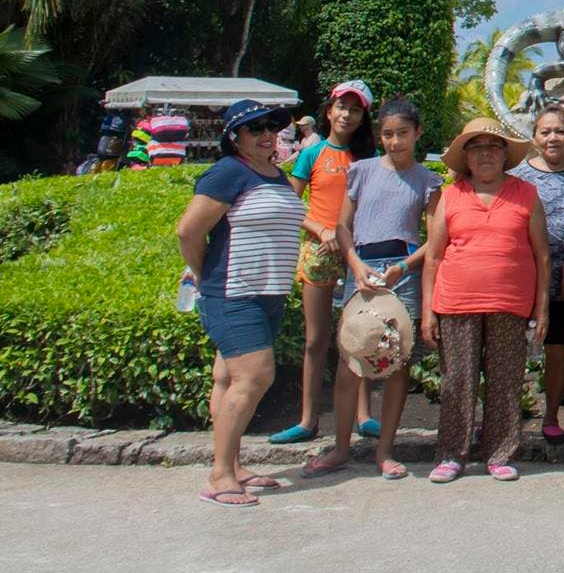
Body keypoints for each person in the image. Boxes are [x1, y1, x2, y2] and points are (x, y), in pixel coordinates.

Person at [302, 97, 440, 481]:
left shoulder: (428, 181)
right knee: (351, 362)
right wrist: (355, 264)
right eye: (388, 134)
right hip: (360, 272)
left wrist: (403, 267)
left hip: (402, 276)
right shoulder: (361, 171)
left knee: (396, 365)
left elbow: (435, 239)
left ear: (417, 133)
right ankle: (340, 449)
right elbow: (343, 226)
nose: (395, 141)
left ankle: (385, 452)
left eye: (402, 133)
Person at [176, 98, 305, 507]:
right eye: (255, 128)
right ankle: (220, 476)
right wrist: (203, 273)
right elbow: (188, 232)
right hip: (234, 293)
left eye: (271, 126)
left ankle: (231, 465)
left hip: (268, 294)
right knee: (254, 377)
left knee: (227, 379)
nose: (267, 134)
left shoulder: (275, 175)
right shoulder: (229, 172)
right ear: (234, 137)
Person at [420, 118, 549, 484]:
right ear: (466, 157)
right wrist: (428, 311)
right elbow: (433, 256)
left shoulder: (526, 194)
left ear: (505, 154)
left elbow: (542, 255)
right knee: (457, 382)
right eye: (476, 148)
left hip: (510, 302)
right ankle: (451, 455)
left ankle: (500, 453)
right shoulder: (451, 196)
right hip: (456, 303)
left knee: (505, 381)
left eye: (493, 147)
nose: (485, 154)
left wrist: (541, 309)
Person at [272, 80, 375, 445]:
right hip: (319, 251)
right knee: (316, 339)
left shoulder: (369, 158)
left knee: (360, 337)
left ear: (364, 117)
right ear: (329, 111)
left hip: (358, 254)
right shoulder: (311, 154)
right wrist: (319, 228)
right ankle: (307, 420)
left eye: (356, 109)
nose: (347, 114)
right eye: (342, 107)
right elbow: (289, 203)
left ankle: (364, 415)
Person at [510, 104, 564, 445]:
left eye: (560, 131)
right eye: (545, 132)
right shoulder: (517, 176)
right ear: (534, 138)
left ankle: (551, 416)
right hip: (523, 277)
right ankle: (505, 417)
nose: (553, 138)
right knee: (509, 350)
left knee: (558, 349)